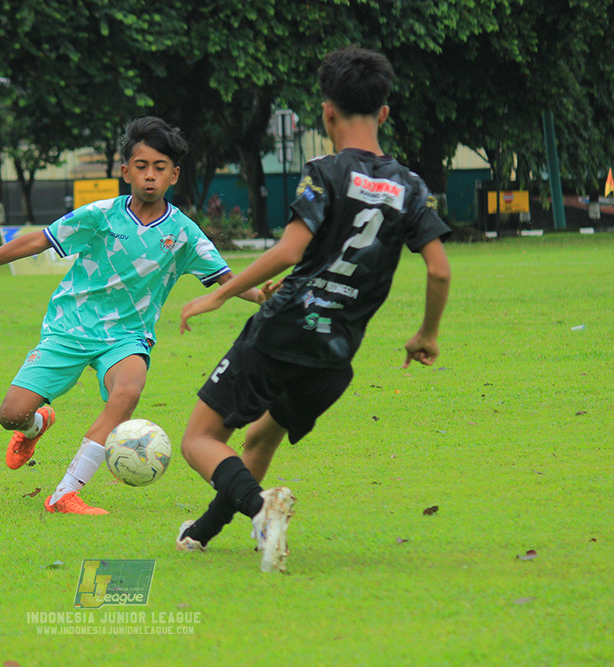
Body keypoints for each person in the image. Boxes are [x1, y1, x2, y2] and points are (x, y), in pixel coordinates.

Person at [174, 46, 452, 572]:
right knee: (260, 437)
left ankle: (262, 508)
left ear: (326, 112)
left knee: (200, 439)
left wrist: (217, 294)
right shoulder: (411, 187)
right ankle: (203, 532)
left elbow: (288, 250)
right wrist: (426, 335)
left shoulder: (325, 171)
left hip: (283, 329)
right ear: (384, 113)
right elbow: (439, 270)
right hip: (337, 353)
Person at [0, 117, 276, 514]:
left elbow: (226, 278)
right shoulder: (101, 215)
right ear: (125, 172)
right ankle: (37, 425)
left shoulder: (184, 233)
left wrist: (264, 296)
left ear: (174, 175)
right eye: (141, 167)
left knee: (129, 389)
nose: (150, 176)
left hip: (127, 337)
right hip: (70, 327)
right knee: (10, 415)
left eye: (160, 168)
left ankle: (65, 492)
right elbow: (37, 240)